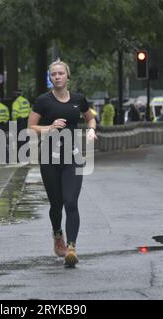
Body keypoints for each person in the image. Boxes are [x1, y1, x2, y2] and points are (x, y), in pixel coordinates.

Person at [28, 59, 97, 267]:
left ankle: (72, 248)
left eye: (60, 73)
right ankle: (58, 235)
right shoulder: (43, 101)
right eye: (53, 74)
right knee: (56, 204)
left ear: (68, 76)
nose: (57, 77)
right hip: (49, 159)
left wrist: (92, 129)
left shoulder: (78, 99)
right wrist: (49, 127)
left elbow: (90, 118)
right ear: (50, 78)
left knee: (71, 202)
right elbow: (30, 127)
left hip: (73, 157)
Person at [11, 89, 31, 159]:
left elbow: (14, 114)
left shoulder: (16, 102)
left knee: (20, 139)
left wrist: (13, 122)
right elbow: (30, 111)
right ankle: (26, 155)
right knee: (26, 138)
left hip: (19, 122)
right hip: (26, 121)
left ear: (16, 95)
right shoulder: (26, 101)